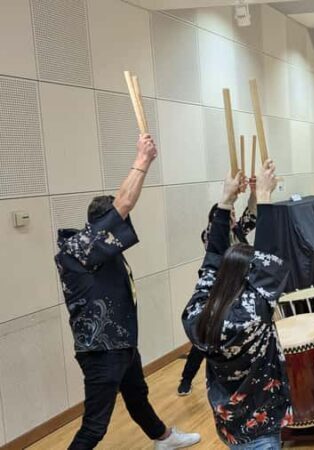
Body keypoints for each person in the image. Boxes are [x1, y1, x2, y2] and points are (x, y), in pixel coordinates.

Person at [55, 134, 200, 449]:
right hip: (100, 350)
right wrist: (143, 160)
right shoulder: (78, 248)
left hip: (120, 344)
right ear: (101, 226)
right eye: (116, 223)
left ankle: (163, 438)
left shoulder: (99, 251)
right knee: (94, 427)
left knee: (137, 396)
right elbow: (124, 202)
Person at [183, 162, 292, 449]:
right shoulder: (253, 316)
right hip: (262, 424)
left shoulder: (196, 316)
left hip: (228, 422)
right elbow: (267, 259)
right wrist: (264, 196)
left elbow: (212, 264)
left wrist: (226, 199)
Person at [178, 177, 257, 396]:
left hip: (238, 291)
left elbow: (251, 216)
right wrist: (225, 203)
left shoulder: (238, 231)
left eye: (233, 215)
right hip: (218, 292)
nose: (233, 218)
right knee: (204, 338)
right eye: (229, 215)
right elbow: (215, 240)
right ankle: (186, 378)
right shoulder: (210, 237)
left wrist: (253, 192)